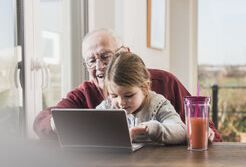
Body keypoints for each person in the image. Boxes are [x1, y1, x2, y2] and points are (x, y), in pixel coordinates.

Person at [33, 28, 222, 142]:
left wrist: (207, 134)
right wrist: (58, 124)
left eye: (105, 56)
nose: (99, 66)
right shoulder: (84, 95)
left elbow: (207, 129)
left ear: (126, 53)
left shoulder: (164, 82)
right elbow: (41, 121)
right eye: (91, 61)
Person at [96, 51, 186, 144]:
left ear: (145, 88)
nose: (121, 102)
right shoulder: (108, 106)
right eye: (114, 96)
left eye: (128, 95)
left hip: (154, 157)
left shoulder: (158, 104)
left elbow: (182, 132)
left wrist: (151, 129)